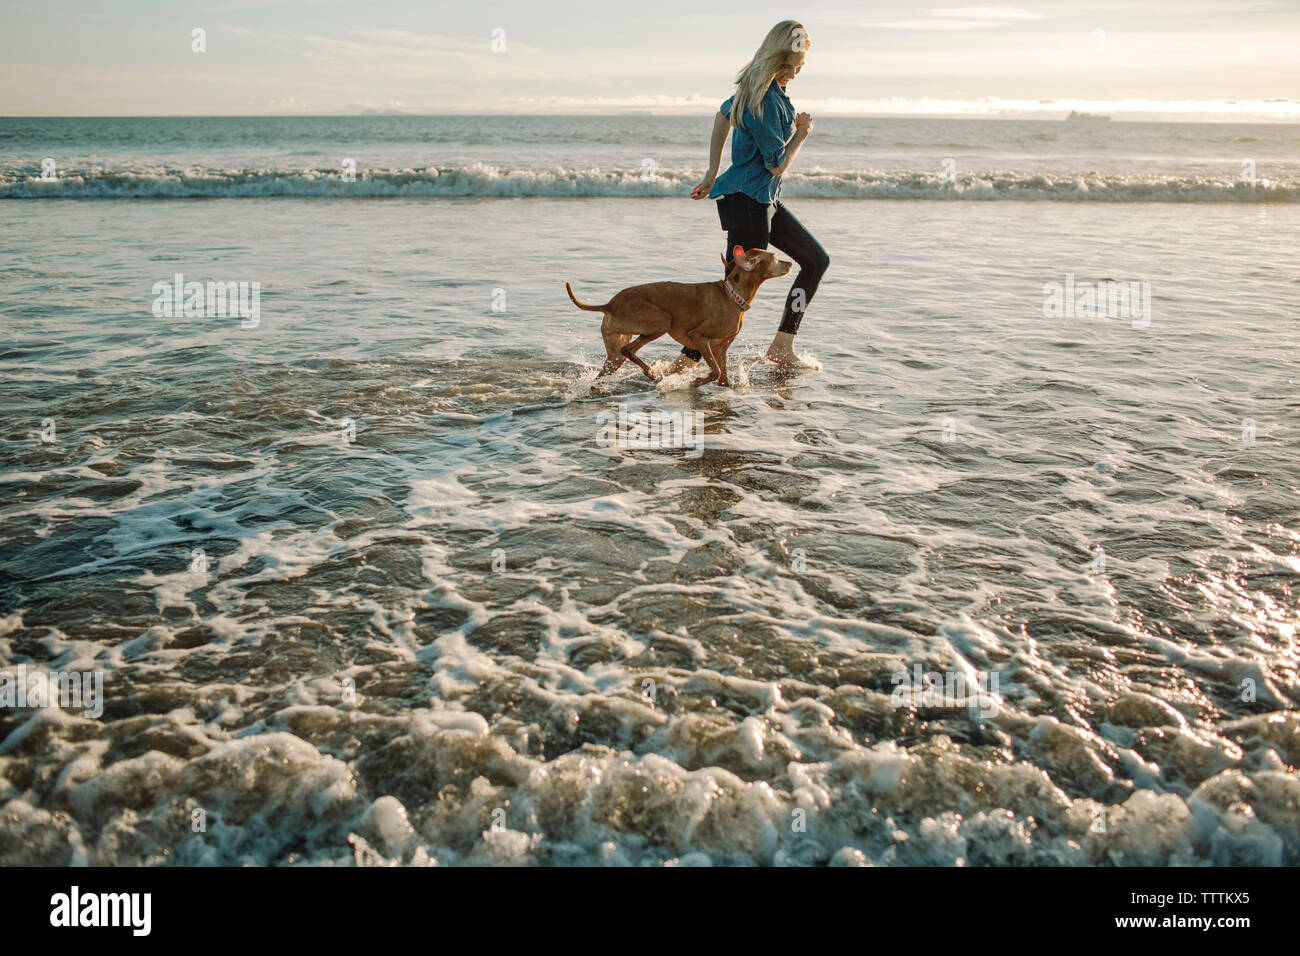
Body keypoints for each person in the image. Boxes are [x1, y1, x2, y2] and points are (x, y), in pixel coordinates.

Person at [668, 19, 829, 374]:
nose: (793, 73)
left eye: (799, 67)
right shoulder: (766, 100)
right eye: (788, 65)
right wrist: (802, 134)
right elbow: (776, 165)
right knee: (733, 292)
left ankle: (782, 345)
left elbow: (721, 116)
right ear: (772, 58)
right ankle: (685, 362)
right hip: (748, 202)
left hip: (762, 201)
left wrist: (713, 171)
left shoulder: (758, 89)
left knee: (815, 261)